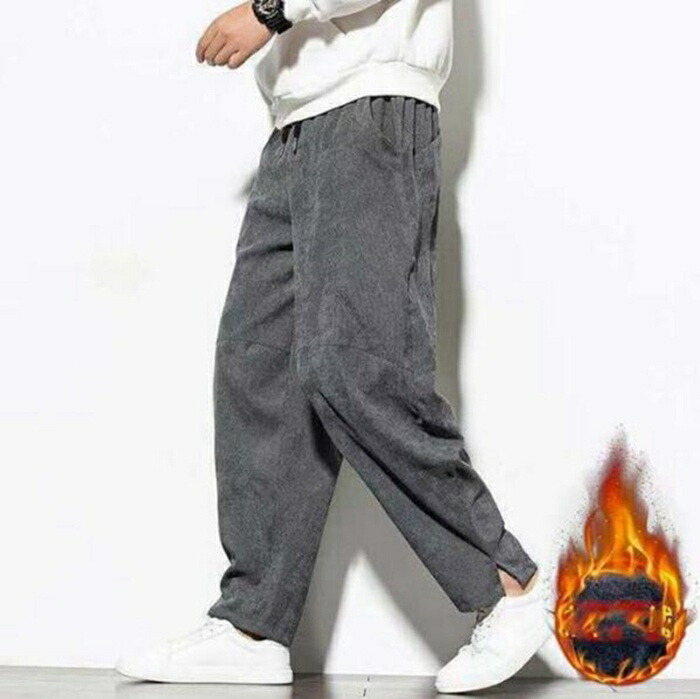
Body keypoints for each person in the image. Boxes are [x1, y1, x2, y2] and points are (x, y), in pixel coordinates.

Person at [115, 0, 550, 692]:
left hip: (370, 110)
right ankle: (253, 626)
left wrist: (271, 10)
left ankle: (506, 586)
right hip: (295, 127)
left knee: (356, 364)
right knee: (257, 368)